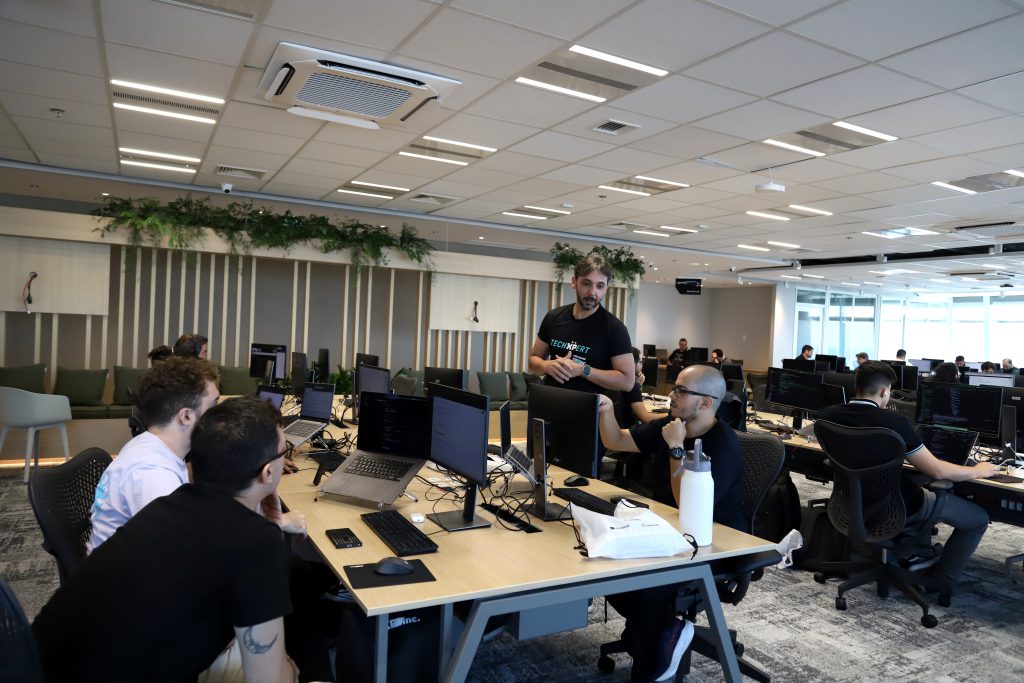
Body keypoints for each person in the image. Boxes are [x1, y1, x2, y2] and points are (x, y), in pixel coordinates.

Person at [33, 397, 304, 683]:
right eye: (284, 451)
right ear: (268, 472)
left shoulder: (169, 502)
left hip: (39, 664)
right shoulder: (254, 542)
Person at [597, 365, 744, 682]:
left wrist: (677, 448)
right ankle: (662, 630)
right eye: (674, 388)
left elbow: (687, 505)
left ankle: (655, 652)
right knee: (604, 563)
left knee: (644, 586)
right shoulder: (672, 425)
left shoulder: (722, 444)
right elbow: (615, 439)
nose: (672, 396)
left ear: (706, 402)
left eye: (681, 390)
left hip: (714, 545)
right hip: (671, 533)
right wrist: (605, 409)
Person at [818, 361, 997, 592]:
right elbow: (938, 471)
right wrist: (979, 470)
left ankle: (914, 554)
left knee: (918, 481)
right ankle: (941, 581)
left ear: (856, 385)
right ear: (885, 391)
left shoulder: (828, 416)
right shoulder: (893, 422)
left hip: (850, 502)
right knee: (978, 519)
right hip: (896, 507)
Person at [87, 356, 220, 552]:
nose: (219, 416)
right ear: (186, 416)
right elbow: (182, 553)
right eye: (213, 406)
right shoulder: (153, 475)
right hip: (129, 570)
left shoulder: (149, 444)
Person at [529, 254, 634, 393]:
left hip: (589, 405)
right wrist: (546, 366)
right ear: (574, 282)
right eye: (586, 283)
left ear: (606, 288)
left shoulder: (615, 328)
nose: (592, 292)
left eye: (600, 286)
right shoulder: (553, 317)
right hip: (550, 400)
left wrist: (583, 370)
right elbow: (533, 361)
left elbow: (627, 382)